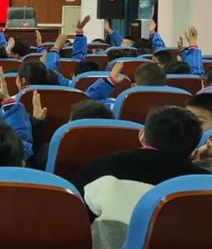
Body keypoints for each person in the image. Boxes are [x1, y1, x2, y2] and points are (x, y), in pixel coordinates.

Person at [74, 106, 208, 249]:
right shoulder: (205, 185)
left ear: (142, 135)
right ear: (193, 150)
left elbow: (74, 218)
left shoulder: (102, 168)